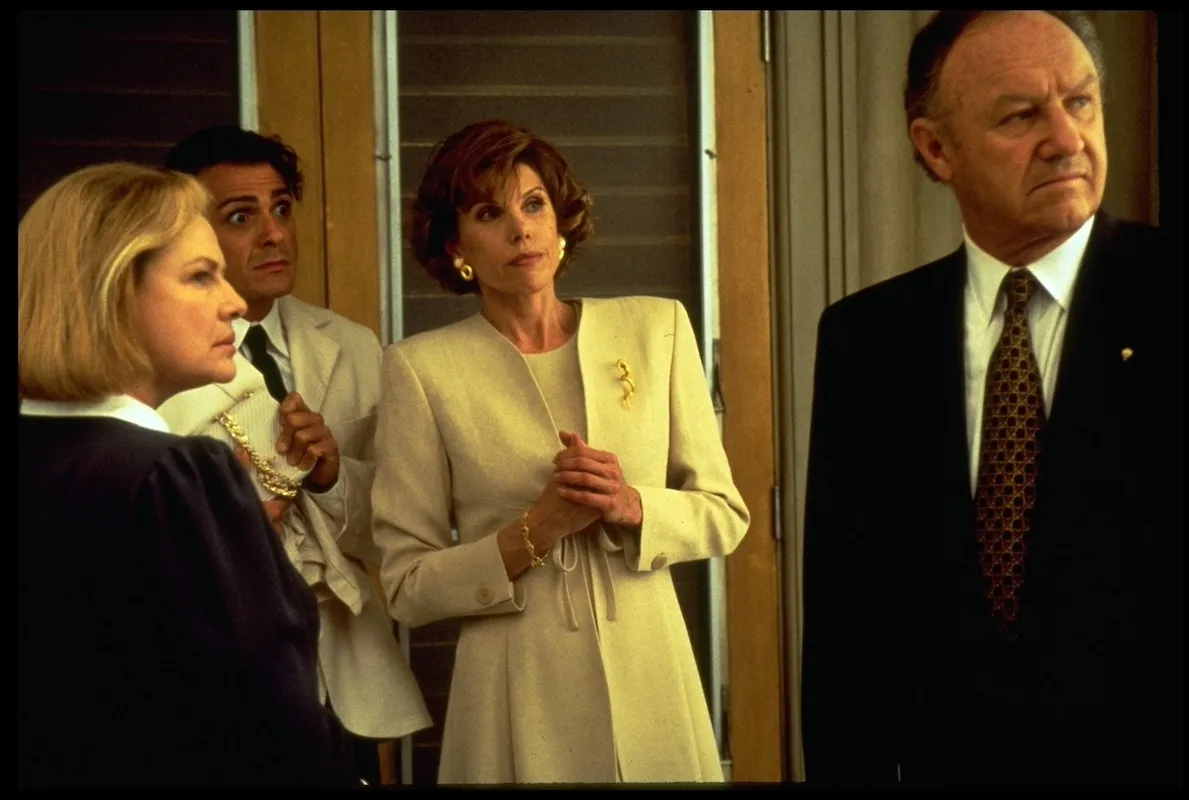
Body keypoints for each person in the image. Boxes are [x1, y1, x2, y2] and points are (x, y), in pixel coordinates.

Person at [800, 11, 1180, 791]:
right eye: (1021, 116)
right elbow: (847, 632)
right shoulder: (867, 338)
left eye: (1080, 102)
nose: (1067, 140)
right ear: (936, 149)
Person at [371, 119, 750, 784]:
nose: (521, 230)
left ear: (560, 220)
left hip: (651, 674)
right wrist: (536, 531)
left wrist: (632, 505)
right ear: (456, 245)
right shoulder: (420, 370)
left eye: (533, 204)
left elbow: (724, 514)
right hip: (514, 687)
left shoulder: (657, 327)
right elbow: (406, 587)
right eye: (490, 214)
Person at [17, 163, 359, 790]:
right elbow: (278, 736)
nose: (234, 303)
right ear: (113, 291)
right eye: (202, 276)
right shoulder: (176, 476)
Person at [162, 126, 432, 780]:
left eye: (281, 208)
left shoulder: (352, 346)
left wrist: (332, 477)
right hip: (217, 685)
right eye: (240, 216)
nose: (274, 234)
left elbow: (397, 535)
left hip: (347, 679)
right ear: (186, 234)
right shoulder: (157, 359)